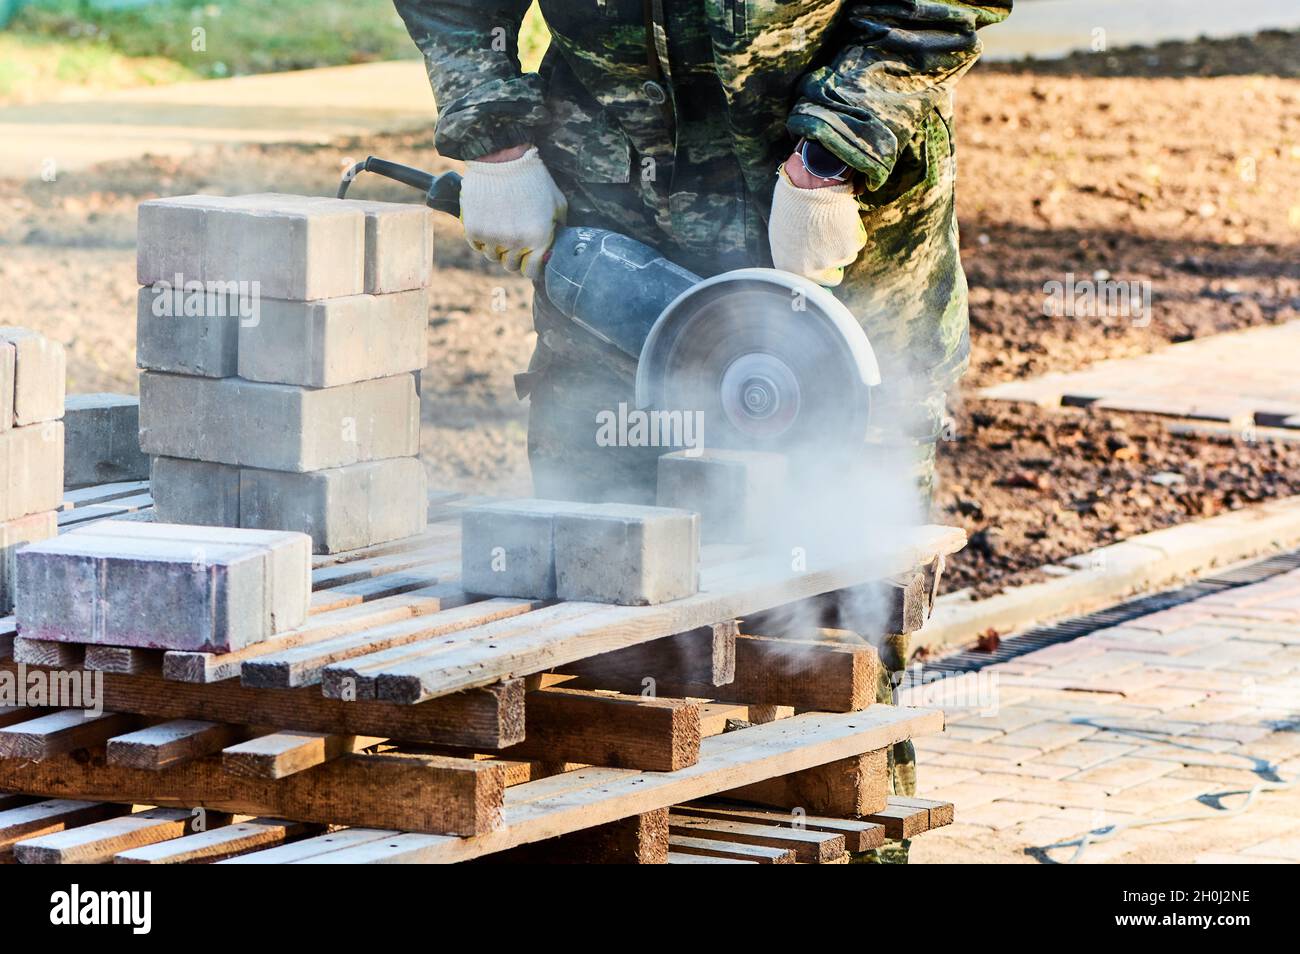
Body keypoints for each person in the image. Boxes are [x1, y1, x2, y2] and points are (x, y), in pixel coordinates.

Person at [394, 0, 1011, 860]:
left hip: (834, 239)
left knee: (835, 625)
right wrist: (495, 139)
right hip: (614, 222)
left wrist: (835, 148)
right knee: (599, 607)